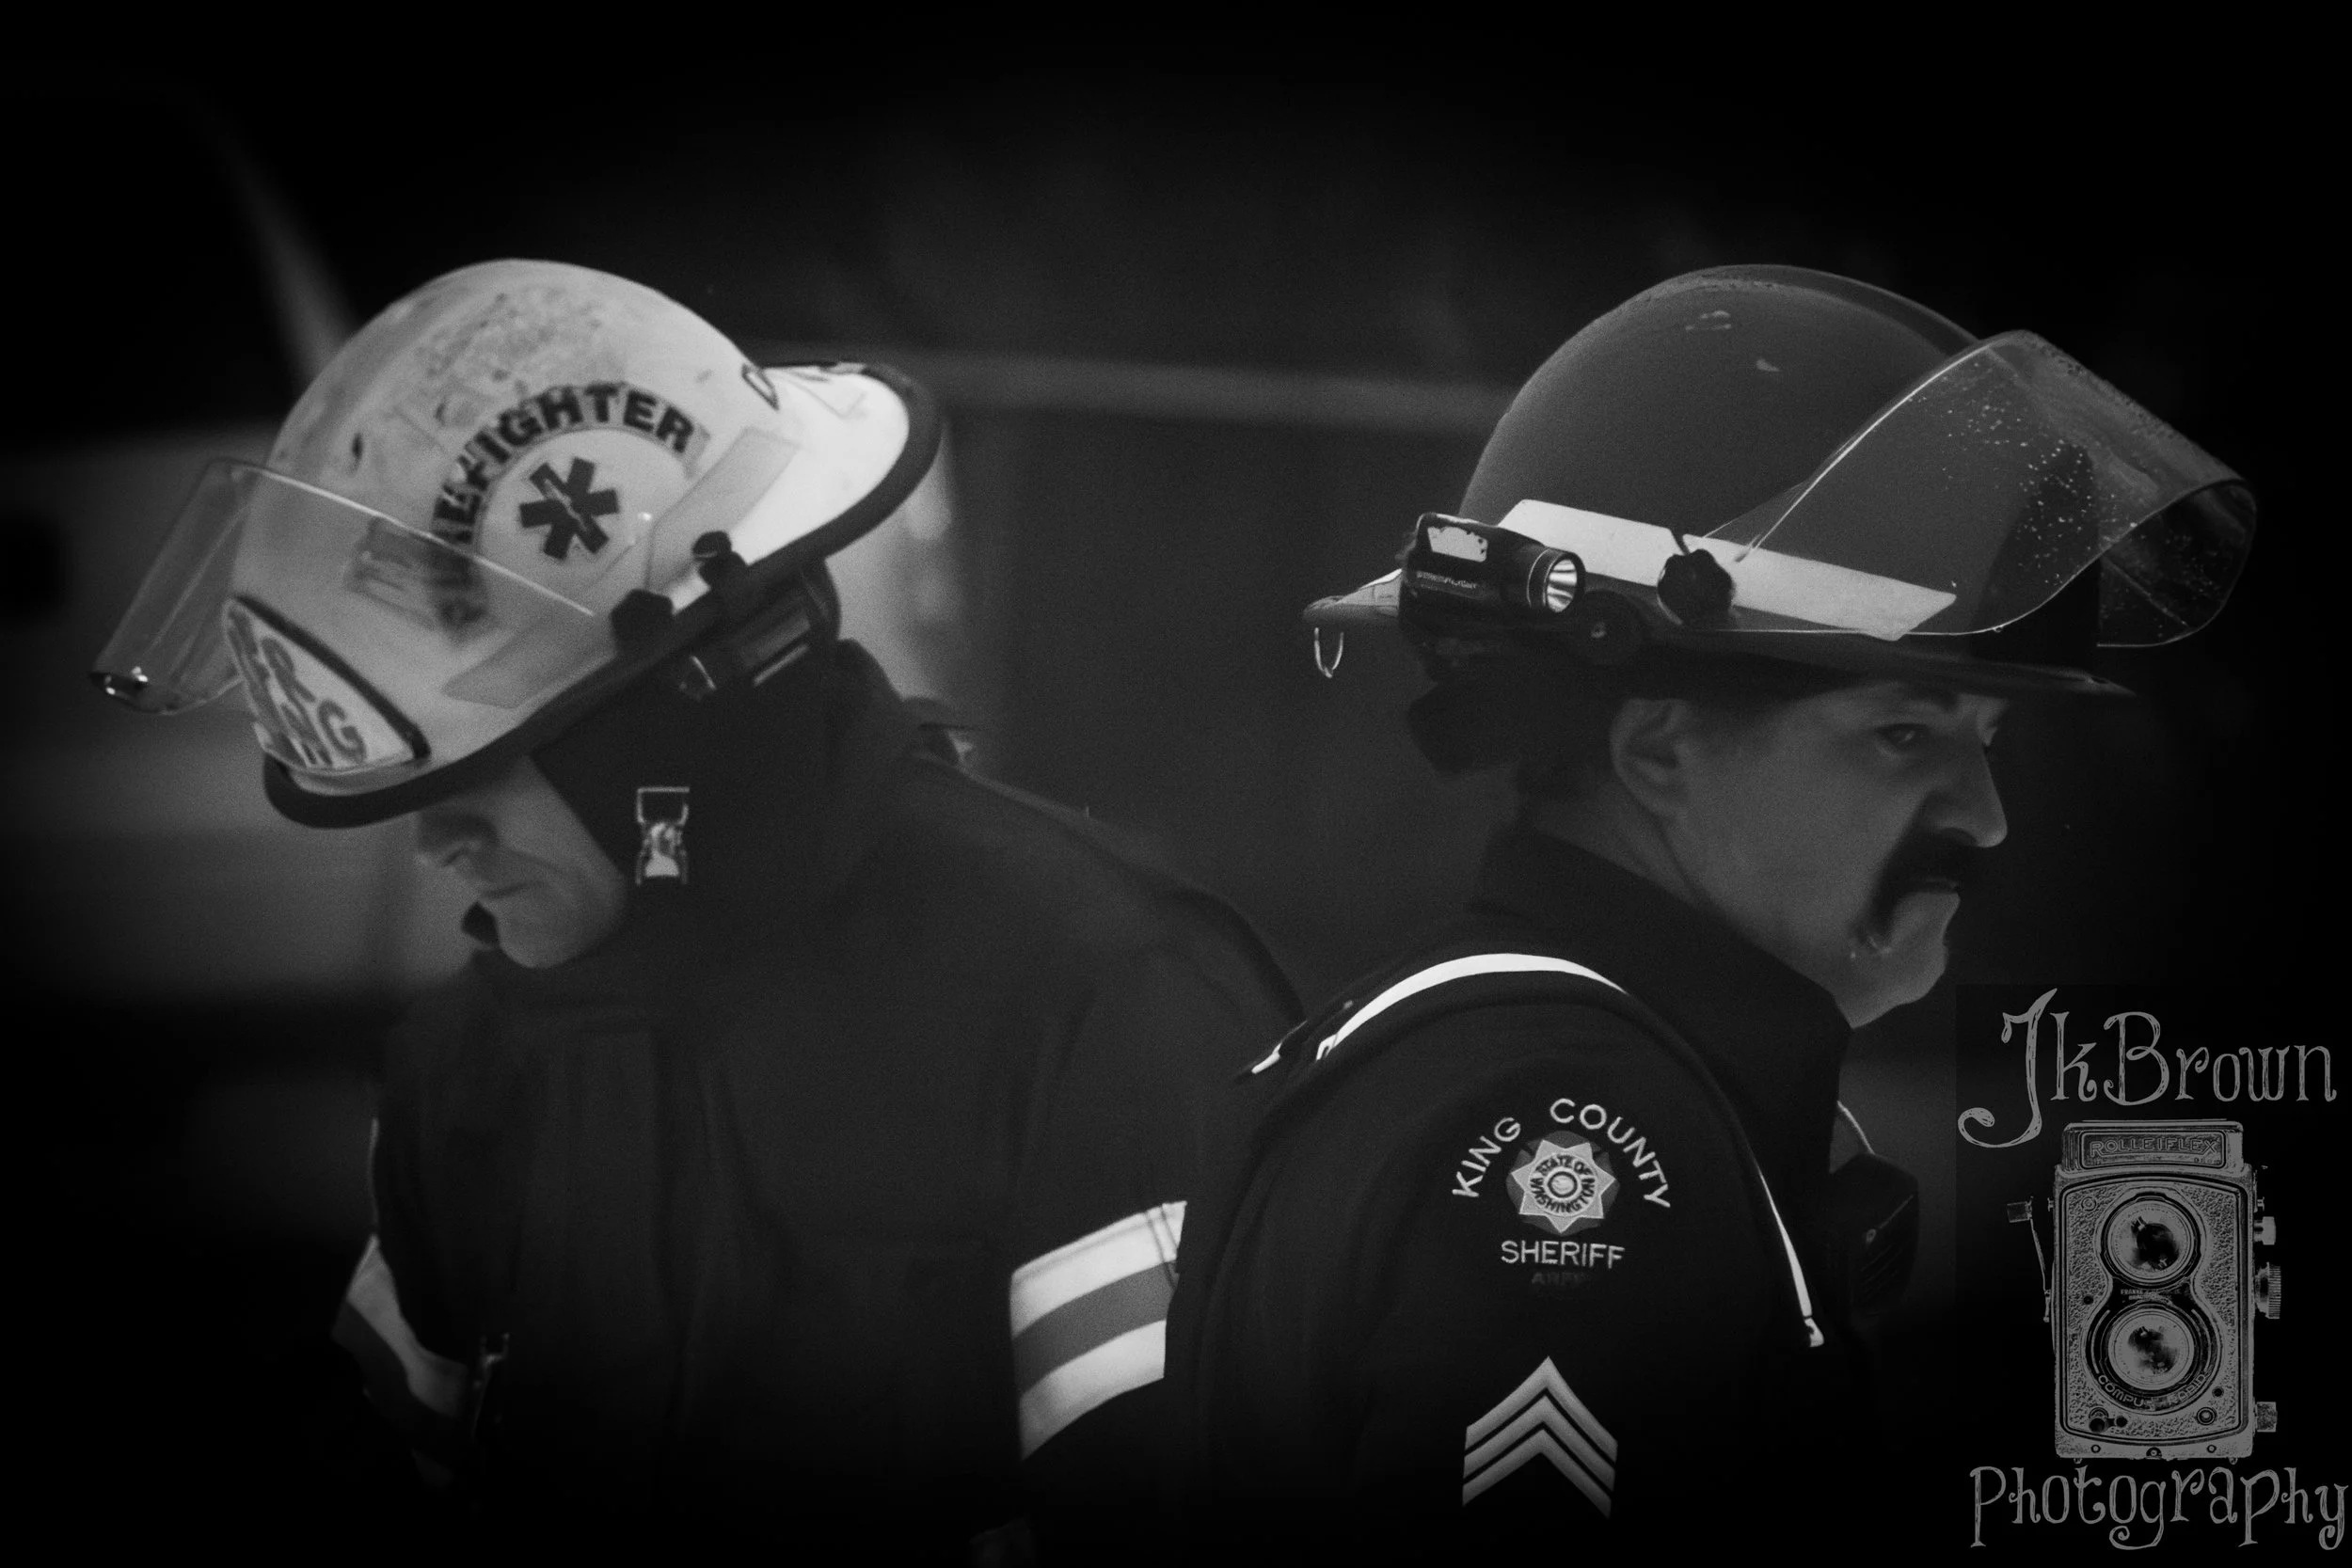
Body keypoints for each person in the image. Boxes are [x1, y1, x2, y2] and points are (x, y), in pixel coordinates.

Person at [93, 261, 1296, 1554]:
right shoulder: (475, 1066)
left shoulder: (1092, 1000)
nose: (435, 845)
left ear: (679, 713)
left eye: (480, 774)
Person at [1162, 264, 2256, 1553]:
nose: (1986, 814)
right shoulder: (1582, 1134)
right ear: (1661, 750)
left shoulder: (1497, 1057)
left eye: (1987, 740)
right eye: (1905, 734)